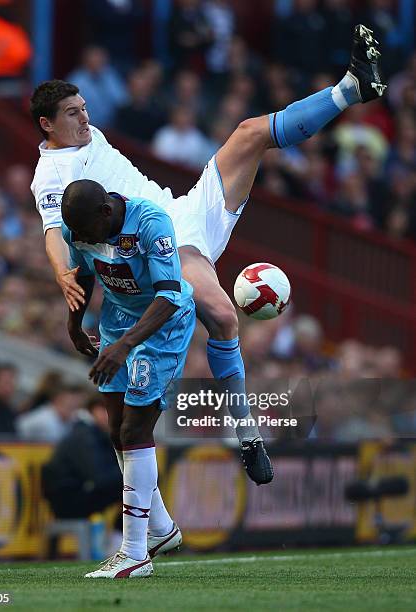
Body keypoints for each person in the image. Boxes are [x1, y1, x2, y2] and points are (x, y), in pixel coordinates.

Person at [30, 24, 387, 485]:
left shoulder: (85, 136)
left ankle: (351, 87)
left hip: (183, 210)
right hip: (158, 240)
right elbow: (54, 231)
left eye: (84, 108)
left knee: (250, 131)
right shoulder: (50, 176)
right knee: (222, 315)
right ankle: (248, 434)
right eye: (73, 113)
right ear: (47, 124)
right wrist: (61, 274)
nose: (85, 118)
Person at [61, 179, 196, 578]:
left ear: (107, 211)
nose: (81, 238)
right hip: (117, 321)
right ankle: (161, 529)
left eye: (87, 231)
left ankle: (134, 552)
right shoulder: (79, 227)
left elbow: (170, 295)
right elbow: (84, 274)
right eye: (77, 234)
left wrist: (123, 348)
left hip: (162, 325)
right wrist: (73, 323)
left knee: (136, 429)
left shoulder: (152, 223)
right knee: (117, 431)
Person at [41, 394, 122, 520]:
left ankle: (122, 534)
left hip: (77, 492)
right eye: (109, 411)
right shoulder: (84, 436)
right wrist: (129, 474)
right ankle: (121, 535)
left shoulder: (95, 433)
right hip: (67, 500)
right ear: (95, 410)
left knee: (135, 483)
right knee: (133, 485)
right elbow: (99, 476)